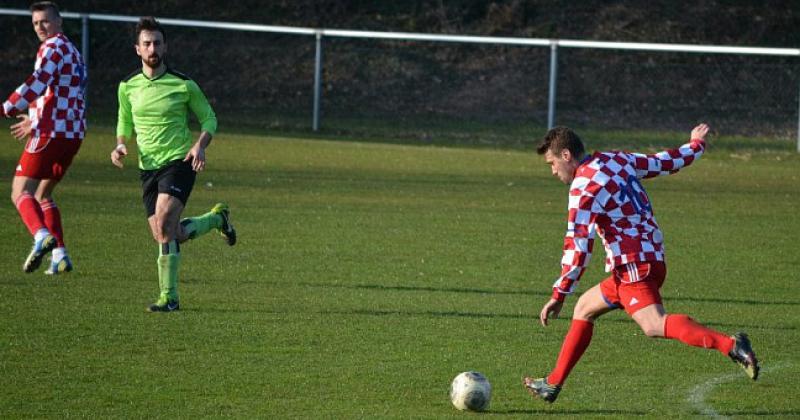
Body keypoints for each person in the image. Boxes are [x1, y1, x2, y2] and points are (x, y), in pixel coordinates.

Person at [523, 124, 759, 403]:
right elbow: (664, 162)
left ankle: (731, 345)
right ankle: (552, 383)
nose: (552, 171)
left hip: (633, 265)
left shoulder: (582, 187)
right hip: (650, 258)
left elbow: (578, 245)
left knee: (653, 325)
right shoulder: (615, 159)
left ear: (565, 155)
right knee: (585, 308)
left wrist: (559, 293)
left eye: (551, 163)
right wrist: (695, 145)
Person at [112, 16, 236, 312]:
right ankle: (217, 219)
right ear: (137, 49)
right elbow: (125, 119)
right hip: (147, 167)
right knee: (167, 233)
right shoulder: (127, 86)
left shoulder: (183, 84)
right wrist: (120, 144)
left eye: (157, 42)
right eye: (146, 43)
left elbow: (209, 118)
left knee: (166, 224)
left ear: (164, 47)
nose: (152, 48)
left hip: (180, 161)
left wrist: (199, 146)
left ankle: (170, 297)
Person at [1, 1, 86, 275]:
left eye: (45, 21)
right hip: (72, 135)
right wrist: (35, 118)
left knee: (19, 191)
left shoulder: (52, 47)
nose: (40, 27)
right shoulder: (72, 50)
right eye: (36, 23)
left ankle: (41, 236)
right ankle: (60, 254)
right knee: (42, 193)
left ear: (59, 21)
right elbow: (62, 94)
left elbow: (37, 83)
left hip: (51, 133)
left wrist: (6, 108)